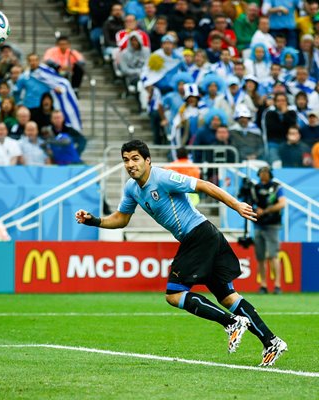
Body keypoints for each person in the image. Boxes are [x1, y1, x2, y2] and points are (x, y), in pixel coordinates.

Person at [75, 140, 287, 367]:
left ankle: (232, 323)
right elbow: (121, 218)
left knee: (174, 294)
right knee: (227, 296)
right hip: (205, 237)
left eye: (135, 158)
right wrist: (95, 221)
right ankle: (271, 341)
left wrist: (235, 205)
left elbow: (204, 185)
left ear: (147, 160)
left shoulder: (163, 177)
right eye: (126, 159)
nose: (130, 164)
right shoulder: (131, 188)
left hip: (199, 234)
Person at [250, 166, 287, 294]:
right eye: (261, 172)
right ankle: (263, 285)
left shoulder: (277, 187)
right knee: (260, 257)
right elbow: (250, 204)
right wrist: (256, 211)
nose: (263, 174)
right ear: (258, 174)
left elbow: (282, 203)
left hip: (272, 225)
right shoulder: (255, 188)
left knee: (273, 255)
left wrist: (265, 211)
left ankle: (277, 285)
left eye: (266, 172)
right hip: (258, 225)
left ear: (270, 174)